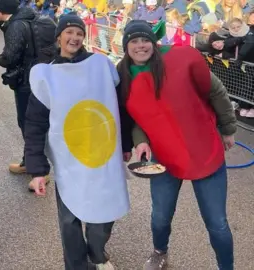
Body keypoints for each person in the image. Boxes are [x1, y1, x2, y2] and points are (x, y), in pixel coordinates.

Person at [117, 20, 237, 270]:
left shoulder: (179, 59)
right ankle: (160, 252)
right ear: (126, 45)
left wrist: (227, 129)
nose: (141, 46)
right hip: (164, 157)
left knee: (217, 223)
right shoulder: (123, 74)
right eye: (134, 41)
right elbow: (137, 117)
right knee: (160, 216)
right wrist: (140, 143)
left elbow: (216, 92)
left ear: (154, 41)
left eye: (145, 40)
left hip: (203, 148)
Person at [25, 14, 133, 270]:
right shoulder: (46, 75)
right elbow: (35, 124)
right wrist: (38, 169)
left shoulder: (100, 65)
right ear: (59, 36)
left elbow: (119, 107)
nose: (74, 38)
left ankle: (97, 253)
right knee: (69, 219)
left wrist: (126, 143)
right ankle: (76, 265)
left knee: (104, 212)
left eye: (79, 33)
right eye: (69, 32)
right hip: (69, 159)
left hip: (102, 153)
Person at [0, 0, 57, 188]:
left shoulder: (16, 25)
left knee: (28, 122)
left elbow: (11, 56)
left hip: (26, 80)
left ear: (1, 10)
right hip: (41, 75)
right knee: (34, 121)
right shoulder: (31, 17)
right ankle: (30, 162)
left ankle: (39, 169)